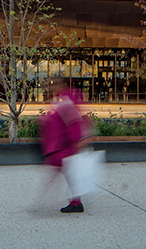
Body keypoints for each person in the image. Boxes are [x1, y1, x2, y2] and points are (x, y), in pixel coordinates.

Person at [39, 83, 91, 213]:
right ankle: (75, 202)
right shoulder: (62, 102)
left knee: (64, 174)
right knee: (67, 174)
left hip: (63, 148)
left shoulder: (65, 103)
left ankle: (74, 203)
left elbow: (72, 123)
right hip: (62, 147)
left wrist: (77, 141)